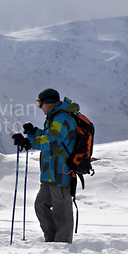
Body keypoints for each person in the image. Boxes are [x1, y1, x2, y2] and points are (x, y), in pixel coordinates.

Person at [12, 88, 79, 243]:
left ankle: (62, 246)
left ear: (47, 102)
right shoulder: (55, 117)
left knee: (62, 214)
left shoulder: (62, 118)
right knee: (41, 206)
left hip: (61, 174)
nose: (39, 106)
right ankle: (52, 241)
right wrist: (34, 132)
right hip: (50, 174)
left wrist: (29, 142)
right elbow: (50, 135)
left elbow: (52, 141)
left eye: (39, 103)